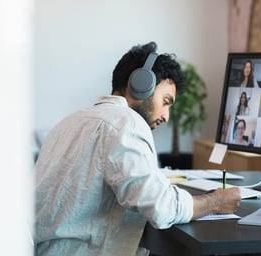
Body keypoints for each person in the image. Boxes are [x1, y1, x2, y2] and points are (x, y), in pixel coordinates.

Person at [34, 42, 241, 256]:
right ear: (141, 85)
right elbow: (161, 207)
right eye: (166, 101)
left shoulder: (69, 121)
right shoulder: (126, 122)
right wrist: (214, 202)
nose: (166, 116)